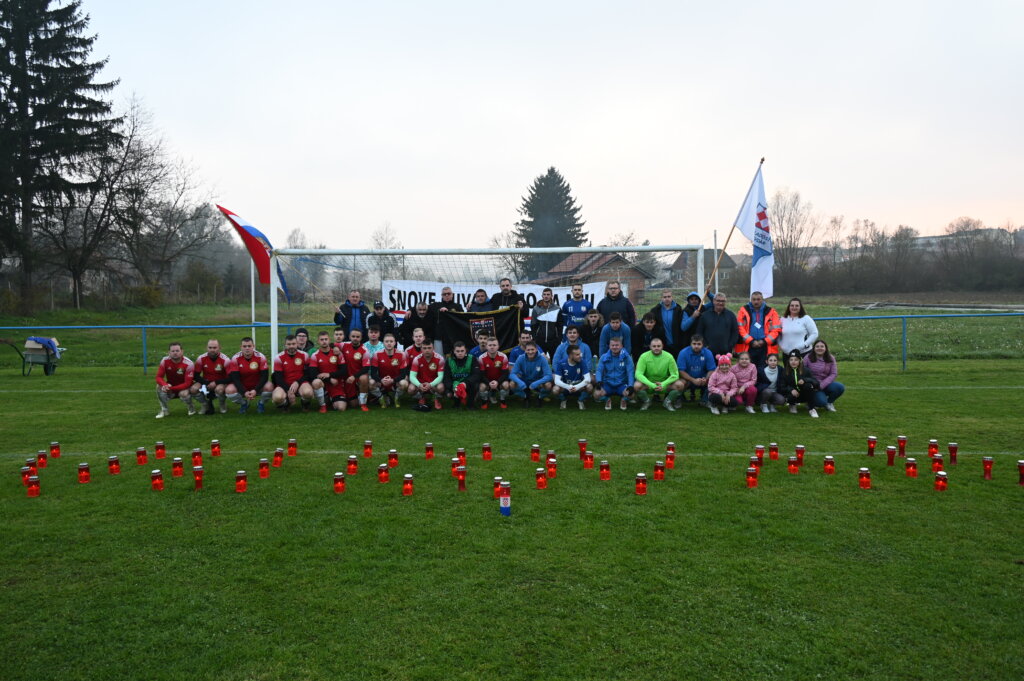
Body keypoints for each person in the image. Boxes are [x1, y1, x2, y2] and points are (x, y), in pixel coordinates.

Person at [226, 337, 274, 414]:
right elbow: (235, 379)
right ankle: (244, 404)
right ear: (241, 347)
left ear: (253, 346)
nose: (247, 348)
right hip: (242, 385)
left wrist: (255, 390)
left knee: (270, 386)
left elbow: (264, 376)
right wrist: (244, 391)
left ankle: (261, 403)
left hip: (257, 385)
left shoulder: (261, 357)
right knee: (229, 390)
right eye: (244, 346)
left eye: (249, 346)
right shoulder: (235, 358)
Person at [735, 291, 781, 368]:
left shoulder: (771, 312)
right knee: (748, 369)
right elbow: (740, 328)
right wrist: (750, 341)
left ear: (762, 299)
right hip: (748, 346)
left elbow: (776, 329)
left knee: (764, 369)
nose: (756, 301)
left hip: (765, 346)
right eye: (754, 299)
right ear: (750, 300)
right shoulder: (743, 311)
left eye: (758, 299)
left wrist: (764, 341)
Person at [669, 334, 716, 407]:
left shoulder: (708, 353)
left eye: (699, 344)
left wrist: (705, 379)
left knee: (713, 380)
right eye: (694, 344)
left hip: (702, 379)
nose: (696, 346)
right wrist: (693, 380)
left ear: (702, 344)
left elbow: (712, 369)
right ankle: (678, 399)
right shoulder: (683, 352)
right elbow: (681, 371)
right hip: (687, 379)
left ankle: (705, 400)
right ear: (690, 344)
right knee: (680, 383)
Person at [633, 338, 679, 411]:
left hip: (664, 384)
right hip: (648, 384)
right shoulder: (644, 356)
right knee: (636, 386)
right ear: (650, 347)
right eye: (654, 346)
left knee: (680, 385)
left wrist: (663, 384)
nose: (656, 348)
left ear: (662, 346)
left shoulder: (669, 356)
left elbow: (675, 374)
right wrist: (652, 385)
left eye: (658, 346)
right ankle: (647, 401)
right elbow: (638, 374)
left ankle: (667, 402)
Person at [272, 334, 313, 412]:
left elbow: (308, 374)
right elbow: (278, 378)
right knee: (277, 398)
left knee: (308, 393)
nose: (291, 346)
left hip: (301, 383)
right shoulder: (278, 357)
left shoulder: (304, 355)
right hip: (284, 384)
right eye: (289, 344)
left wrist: (297, 382)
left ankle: (305, 403)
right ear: (285, 345)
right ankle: (286, 404)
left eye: (293, 344)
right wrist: (288, 390)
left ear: (297, 343)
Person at [308, 331, 347, 413]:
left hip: (336, 385)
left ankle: (331, 399)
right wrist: (329, 379)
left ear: (329, 340)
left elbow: (344, 371)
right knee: (316, 382)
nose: (324, 341)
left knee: (341, 408)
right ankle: (323, 406)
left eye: (326, 339)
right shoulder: (315, 355)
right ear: (318, 341)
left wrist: (329, 374)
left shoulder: (337, 353)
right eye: (322, 340)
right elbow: (313, 374)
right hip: (323, 385)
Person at [155, 342, 196, 418]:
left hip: (184, 388)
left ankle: (191, 407)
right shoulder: (164, 360)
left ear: (182, 351)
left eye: (177, 351)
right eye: (173, 351)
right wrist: (165, 385)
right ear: (169, 352)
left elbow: (187, 383)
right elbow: (158, 377)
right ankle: (164, 410)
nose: (175, 353)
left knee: (184, 394)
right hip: (171, 386)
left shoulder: (189, 363)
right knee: (158, 386)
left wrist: (171, 388)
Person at [191, 339, 232, 414]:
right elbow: (196, 375)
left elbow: (230, 378)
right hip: (206, 382)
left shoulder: (225, 360)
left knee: (219, 389)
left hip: (220, 383)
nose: (212, 350)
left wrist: (216, 382)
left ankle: (222, 404)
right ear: (206, 348)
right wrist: (206, 383)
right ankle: (205, 404)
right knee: (193, 389)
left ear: (220, 348)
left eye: (215, 347)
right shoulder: (201, 358)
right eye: (210, 347)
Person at [595, 336, 635, 411]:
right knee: (596, 395)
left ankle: (624, 400)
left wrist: (630, 385)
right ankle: (607, 399)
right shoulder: (604, 357)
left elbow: (630, 372)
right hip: (608, 384)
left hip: (621, 384)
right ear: (609, 346)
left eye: (617, 345)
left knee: (631, 395)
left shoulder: (626, 357)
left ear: (621, 346)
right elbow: (599, 370)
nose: (614, 347)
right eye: (612, 345)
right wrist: (599, 381)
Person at [803, 339, 844, 412]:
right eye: (817, 346)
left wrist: (821, 385)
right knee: (820, 403)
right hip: (813, 385)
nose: (819, 348)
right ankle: (810, 401)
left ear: (825, 348)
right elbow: (802, 372)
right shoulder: (807, 357)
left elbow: (834, 373)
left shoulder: (831, 358)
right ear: (814, 348)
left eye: (822, 346)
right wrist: (812, 384)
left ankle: (829, 402)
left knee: (840, 387)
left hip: (826, 383)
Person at [510, 341, 553, 408]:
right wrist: (520, 382)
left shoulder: (542, 359)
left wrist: (536, 383)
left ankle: (540, 397)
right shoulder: (520, 358)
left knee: (548, 385)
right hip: (525, 381)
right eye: (528, 350)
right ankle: (525, 396)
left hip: (538, 381)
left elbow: (549, 376)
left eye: (532, 349)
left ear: (536, 349)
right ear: (525, 350)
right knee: (512, 384)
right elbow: (512, 374)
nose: (530, 352)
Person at [695, 292, 739, 357]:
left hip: (725, 352)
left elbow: (735, 332)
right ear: (713, 301)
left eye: (723, 301)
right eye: (718, 300)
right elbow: (699, 332)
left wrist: (730, 346)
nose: (720, 303)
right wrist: (705, 345)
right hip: (708, 352)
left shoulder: (731, 315)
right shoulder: (705, 315)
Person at [778, 349, 819, 417]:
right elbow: (781, 386)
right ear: (788, 361)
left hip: (804, 393)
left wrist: (805, 380)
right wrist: (791, 390)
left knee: (808, 386)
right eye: (791, 360)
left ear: (800, 361)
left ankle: (812, 409)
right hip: (793, 395)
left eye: (796, 360)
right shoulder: (785, 371)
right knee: (790, 396)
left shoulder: (806, 370)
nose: (793, 362)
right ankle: (792, 404)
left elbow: (816, 383)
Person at [373, 332, 408, 408]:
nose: (389, 343)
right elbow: (373, 373)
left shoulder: (402, 354)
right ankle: (381, 397)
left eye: (391, 341)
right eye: (387, 341)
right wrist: (381, 380)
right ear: (383, 343)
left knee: (404, 383)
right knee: (370, 382)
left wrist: (392, 380)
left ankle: (396, 397)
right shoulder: (377, 354)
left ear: (395, 343)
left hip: (395, 382)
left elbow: (403, 374)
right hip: (382, 381)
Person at [552, 344, 592, 410]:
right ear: (570, 355)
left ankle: (580, 400)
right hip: (566, 387)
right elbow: (556, 381)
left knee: (590, 387)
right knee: (555, 389)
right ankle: (563, 400)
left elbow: (588, 379)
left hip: (578, 387)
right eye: (577, 355)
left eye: (580, 354)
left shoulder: (582, 362)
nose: (580, 356)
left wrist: (577, 387)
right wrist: (568, 387)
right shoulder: (561, 363)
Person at [407, 340, 445, 410]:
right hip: (421, 383)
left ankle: (435, 398)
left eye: (429, 348)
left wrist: (431, 384)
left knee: (441, 387)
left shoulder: (440, 359)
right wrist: (419, 385)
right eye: (424, 348)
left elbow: (441, 376)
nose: (427, 350)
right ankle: (421, 397)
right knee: (410, 389)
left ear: (433, 348)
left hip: (433, 384)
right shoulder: (417, 359)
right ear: (421, 349)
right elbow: (412, 376)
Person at [444, 341, 480, 408]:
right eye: (457, 351)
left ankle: (470, 404)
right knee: (449, 393)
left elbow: (476, 375)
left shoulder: (472, 358)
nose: (460, 353)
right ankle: (456, 402)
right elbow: (446, 377)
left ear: (465, 351)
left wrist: (464, 384)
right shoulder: (449, 360)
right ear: (454, 351)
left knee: (476, 385)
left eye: (462, 351)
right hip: (454, 384)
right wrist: (453, 387)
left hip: (467, 383)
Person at [427, 286, 464, 354]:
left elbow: (462, 320)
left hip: (453, 338)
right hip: (439, 338)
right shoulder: (436, 305)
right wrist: (410, 310)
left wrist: (448, 311)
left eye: (448, 293)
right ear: (442, 295)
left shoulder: (458, 306)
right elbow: (422, 307)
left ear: (452, 295)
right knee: (440, 360)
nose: (446, 295)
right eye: (444, 294)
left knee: (451, 359)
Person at [477, 337, 511, 409]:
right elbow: (481, 375)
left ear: (498, 346)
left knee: (506, 385)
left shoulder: (503, 356)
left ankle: (502, 400)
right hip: (487, 381)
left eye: (494, 345)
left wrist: (497, 382)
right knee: (481, 387)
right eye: (490, 345)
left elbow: (505, 373)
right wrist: (489, 382)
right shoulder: (481, 358)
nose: (492, 347)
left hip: (499, 380)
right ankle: (485, 401)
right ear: (486, 346)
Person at [531, 287, 564, 358]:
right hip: (540, 341)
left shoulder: (557, 309)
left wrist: (559, 339)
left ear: (551, 296)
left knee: (555, 362)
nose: (546, 296)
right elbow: (533, 325)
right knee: (539, 362)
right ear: (542, 296)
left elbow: (560, 326)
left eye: (548, 294)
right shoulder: (536, 308)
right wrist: (535, 338)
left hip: (553, 341)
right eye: (544, 294)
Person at [650, 290, 683, 356]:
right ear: (661, 298)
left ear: (672, 297)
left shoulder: (678, 310)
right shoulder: (655, 310)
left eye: (669, 296)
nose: (667, 299)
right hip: (662, 345)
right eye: (664, 297)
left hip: (676, 344)